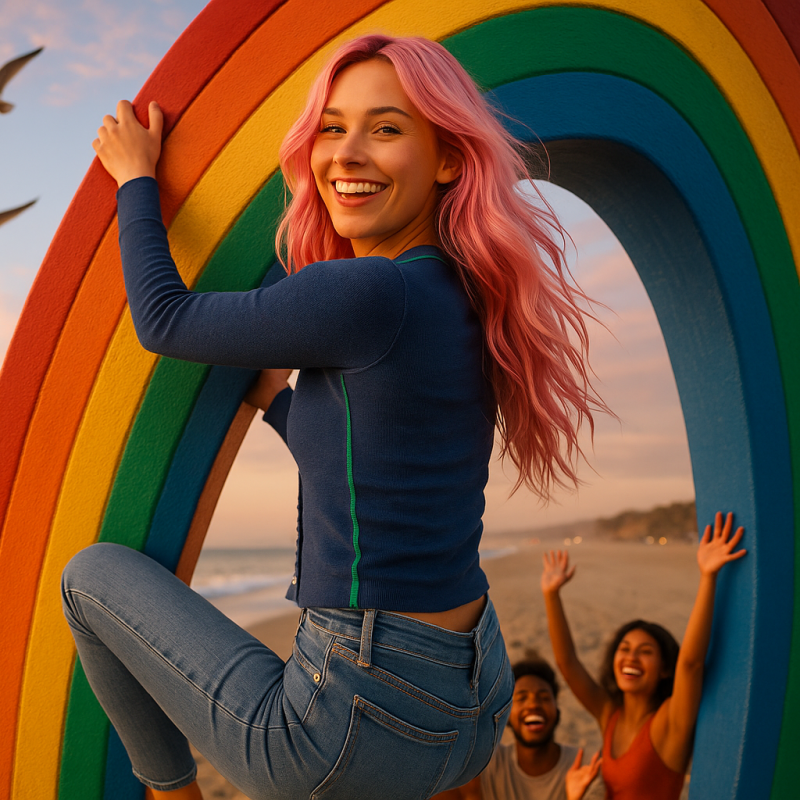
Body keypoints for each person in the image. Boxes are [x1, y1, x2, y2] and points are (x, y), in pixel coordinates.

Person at [61, 34, 604, 800]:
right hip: (475, 704)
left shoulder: (368, 291)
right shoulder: (462, 294)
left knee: (88, 579)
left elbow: (164, 320)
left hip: (353, 721)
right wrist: (275, 405)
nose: (347, 153)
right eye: (331, 127)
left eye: (385, 129)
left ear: (449, 158)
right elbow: (376, 456)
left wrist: (135, 178)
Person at [541, 512, 746, 800]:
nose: (631, 658)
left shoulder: (669, 722)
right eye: (624, 649)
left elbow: (690, 664)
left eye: (646, 651)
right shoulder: (609, 714)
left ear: (664, 669)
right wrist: (551, 595)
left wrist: (708, 577)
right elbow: (568, 664)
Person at [434, 656, 604, 800]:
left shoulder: (586, 767)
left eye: (544, 697)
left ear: (557, 711)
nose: (533, 705)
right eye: (521, 698)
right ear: (506, 714)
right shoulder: (485, 764)